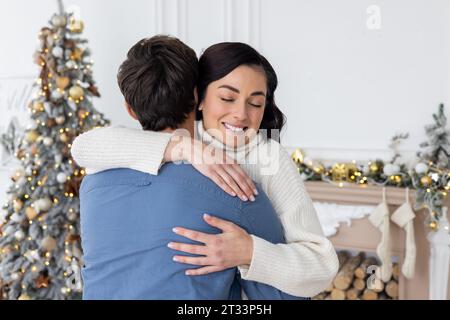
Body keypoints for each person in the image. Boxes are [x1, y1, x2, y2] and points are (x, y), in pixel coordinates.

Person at [73, 38, 339, 298]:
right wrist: (183, 147)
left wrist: (250, 252)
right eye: (227, 97)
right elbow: (83, 148)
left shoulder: (267, 158)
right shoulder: (183, 139)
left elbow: (321, 266)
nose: (241, 114)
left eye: (256, 103)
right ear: (199, 97)